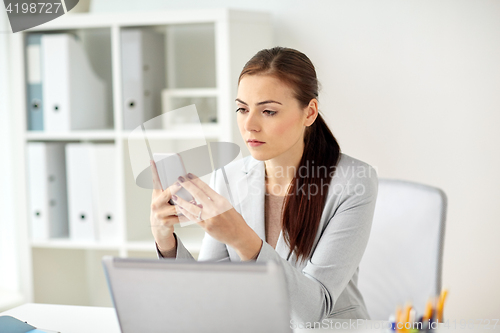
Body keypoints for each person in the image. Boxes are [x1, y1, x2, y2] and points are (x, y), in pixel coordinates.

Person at [150, 46, 378, 323]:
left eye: (268, 111)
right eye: (242, 109)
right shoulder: (229, 177)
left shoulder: (353, 181)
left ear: (309, 112)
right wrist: (166, 240)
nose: (249, 125)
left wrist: (242, 239)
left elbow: (312, 312)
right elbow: (208, 297)